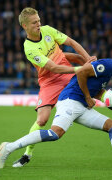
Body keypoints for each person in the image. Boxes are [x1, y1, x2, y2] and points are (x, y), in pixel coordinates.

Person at [0, 47, 112, 170]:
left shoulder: (110, 71)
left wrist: (103, 99)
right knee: (55, 134)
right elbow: (81, 73)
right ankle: (8, 147)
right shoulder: (108, 65)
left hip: (82, 106)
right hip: (70, 101)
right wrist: (86, 97)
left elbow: (94, 88)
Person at [12, 7, 96, 167]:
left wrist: (88, 59)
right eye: (34, 22)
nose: (39, 24)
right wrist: (80, 69)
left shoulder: (48, 30)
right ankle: (27, 154)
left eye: (39, 20)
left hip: (66, 72)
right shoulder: (29, 48)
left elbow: (71, 42)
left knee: (94, 86)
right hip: (49, 80)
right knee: (42, 120)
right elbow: (53, 68)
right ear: (25, 26)